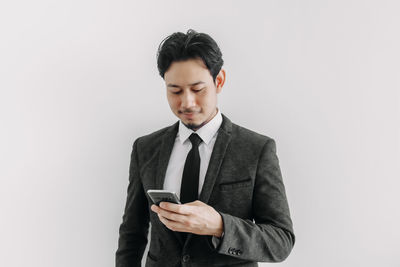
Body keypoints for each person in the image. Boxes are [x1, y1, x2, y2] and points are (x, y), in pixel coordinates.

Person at [116, 29, 295, 267]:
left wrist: (219, 225)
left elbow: (280, 241)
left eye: (198, 89)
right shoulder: (145, 148)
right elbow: (132, 233)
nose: (187, 102)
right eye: (175, 91)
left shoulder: (257, 149)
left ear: (218, 81)